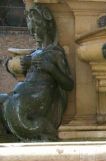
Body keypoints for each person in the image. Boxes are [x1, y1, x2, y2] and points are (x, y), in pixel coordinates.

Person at [1, 3, 73, 141]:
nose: (33, 32)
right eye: (31, 28)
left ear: (47, 26)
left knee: (15, 108)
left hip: (37, 99)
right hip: (22, 96)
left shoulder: (55, 52)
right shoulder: (35, 53)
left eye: (36, 27)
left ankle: (42, 129)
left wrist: (50, 68)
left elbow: (69, 84)